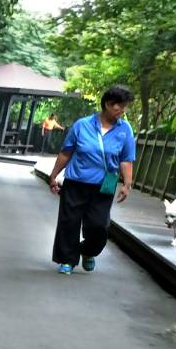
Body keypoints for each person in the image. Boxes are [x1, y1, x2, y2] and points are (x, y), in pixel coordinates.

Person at [45, 86, 136, 274]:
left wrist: (127, 184)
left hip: (104, 185)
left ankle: (88, 251)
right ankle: (67, 260)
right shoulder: (82, 125)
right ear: (108, 104)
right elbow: (66, 152)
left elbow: (126, 159)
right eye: (120, 106)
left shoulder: (124, 129)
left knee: (99, 225)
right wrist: (54, 175)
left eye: (125, 107)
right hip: (76, 182)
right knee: (69, 222)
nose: (122, 110)